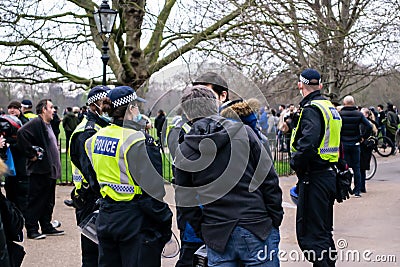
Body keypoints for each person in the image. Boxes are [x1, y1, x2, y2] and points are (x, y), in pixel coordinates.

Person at [175, 86, 283, 267]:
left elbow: (185, 200)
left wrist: (202, 228)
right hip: (255, 224)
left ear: (187, 113)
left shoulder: (185, 150)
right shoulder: (244, 132)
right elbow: (268, 179)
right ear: (215, 104)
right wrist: (274, 217)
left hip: (218, 230)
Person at [85, 86, 172, 267]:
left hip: (107, 215)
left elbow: (93, 179)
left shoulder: (94, 139)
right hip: (135, 219)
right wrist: (165, 224)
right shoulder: (138, 141)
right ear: (131, 109)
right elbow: (154, 193)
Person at [168, 72, 231, 267]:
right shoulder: (181, 131)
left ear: (222, 96)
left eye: (206, 92)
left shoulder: (234, 126)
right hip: (195, 221)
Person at [290, 68, 342, 266]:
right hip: (328, 174)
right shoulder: (329, 107)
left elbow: (309, 143)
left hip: (315, 177)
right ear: (320, 85)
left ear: (300, 85)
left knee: (311, 236)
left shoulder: (312, 109)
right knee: (323, 232)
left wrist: (296, 163)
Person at [69, 86, 111, 267]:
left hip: (95, 197)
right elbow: (92, 173)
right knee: (93, 254)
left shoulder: (101, 127)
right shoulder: (87, 132)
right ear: (95, 105)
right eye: (106, 103)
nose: (109, 107)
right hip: (90, 199)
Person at [17, 99, 64, 240]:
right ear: (44, 109)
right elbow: (21, 133)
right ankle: (32, 229)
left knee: (48, 201)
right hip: (39, 171)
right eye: (51, 107)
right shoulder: (36, 123)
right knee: (36, 200)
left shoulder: (48, 124)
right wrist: (31, 154)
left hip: (49, 171)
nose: (53, 110)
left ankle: (46, 225)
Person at [339, 96, 372, 197]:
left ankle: (345, 187)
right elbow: (369, 126)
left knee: (344, 167)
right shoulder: (358, 114)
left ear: (344, 103)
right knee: (357, 167)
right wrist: (363, 137)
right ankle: (357, 190)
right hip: (355, 143)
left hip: (343, 143)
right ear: (353, 103)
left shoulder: (340, 114)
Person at [3, 101, 29, 217]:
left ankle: (22, 216)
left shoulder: (24, 123)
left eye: (15, 108)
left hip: (21, 164)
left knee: (22, 193)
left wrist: (10, 144)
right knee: (10, 191)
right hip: (8, 164)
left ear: (20, 109)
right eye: (10, 108)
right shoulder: (4, 123)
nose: (12, 110)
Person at [360, 108, 377, 193]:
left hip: (364, 147)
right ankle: (362, 186)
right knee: (362, 168)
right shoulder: (372, 124)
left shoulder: (365, 124)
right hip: (368, 148)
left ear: (366, 115)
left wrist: (362, 138)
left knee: (360, 168)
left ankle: (361, 186)